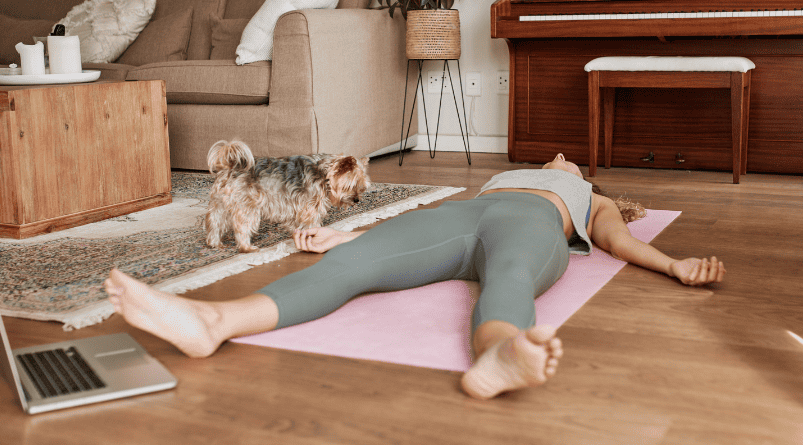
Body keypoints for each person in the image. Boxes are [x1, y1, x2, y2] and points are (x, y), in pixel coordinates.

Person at [105, 153, 725, 400]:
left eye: (571, 160)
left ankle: (499, 355)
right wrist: (348, 237)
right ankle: (215, 320)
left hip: (530, 229)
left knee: (508, 275)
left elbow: (615, 242)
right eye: (558, 157)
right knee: (351, 265)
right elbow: (423, 234)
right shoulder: (503, 174)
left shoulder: (586, 195)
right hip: (462, 217)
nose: (561, 157)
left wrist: (675, 265)